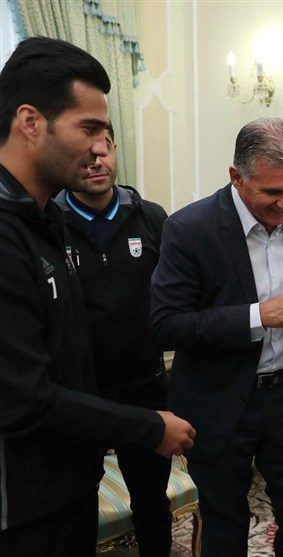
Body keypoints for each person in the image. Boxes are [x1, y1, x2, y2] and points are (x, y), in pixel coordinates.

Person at [0, 37, 195, 556]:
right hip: (25, 507)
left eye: (105, 134)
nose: (99, 149)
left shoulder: (43, 219)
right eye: (88, 129)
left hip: (68, 480)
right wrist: (147, 426)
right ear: (30, 121)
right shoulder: (8, 233)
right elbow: (24, 399)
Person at [150, 117, 283, 557]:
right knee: (225, 526)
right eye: (272, 192)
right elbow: (166, 324)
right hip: (217, 398)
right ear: (236, 176)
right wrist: (257, 316)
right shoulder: (189, 228)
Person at [53, 124, 172, 556]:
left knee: (152, 502)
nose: (96, 161)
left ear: (115, 150)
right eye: (85, 154)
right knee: (76, 503)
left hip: (145, 388)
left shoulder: (152, 218)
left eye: (103, 150)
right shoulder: (49, 223)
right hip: (79, 394)